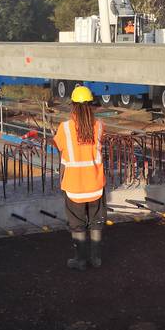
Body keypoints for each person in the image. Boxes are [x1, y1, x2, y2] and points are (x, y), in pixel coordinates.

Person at [52, 85, 106, 270]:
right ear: (91, 105)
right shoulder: (98, 126)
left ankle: (80, 260)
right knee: (96, 220)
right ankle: (96, 259)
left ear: (73, 106)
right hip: (95, 183)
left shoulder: (64, 128)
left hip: (74, 186)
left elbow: (59, 146)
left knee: (77, 224)